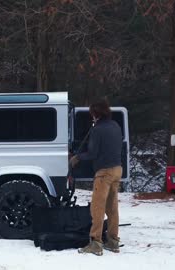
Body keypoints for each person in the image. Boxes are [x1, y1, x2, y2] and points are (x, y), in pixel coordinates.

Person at [70, 98, 123, 256]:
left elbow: (92, 153)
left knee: (97, 208)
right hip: (117, 169)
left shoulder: (97, 129)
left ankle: (96, 243)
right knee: (112, 207)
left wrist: (77, 157)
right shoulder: (115, 125)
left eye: (92, 113)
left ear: (95, 114)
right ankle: (113, 242)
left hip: (104, 173)